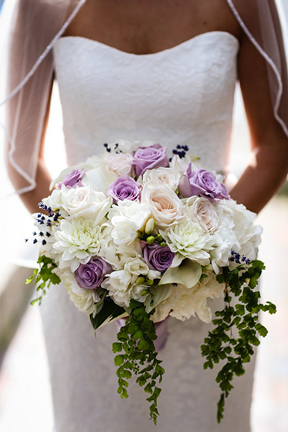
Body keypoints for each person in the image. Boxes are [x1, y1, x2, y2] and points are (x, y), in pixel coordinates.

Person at [2, 0, 288, 431]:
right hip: (91, 289)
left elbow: (275, 145)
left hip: (213, 282)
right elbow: (20, 158)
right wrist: (96, 256)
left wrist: (208, 252)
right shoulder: (42, 5)